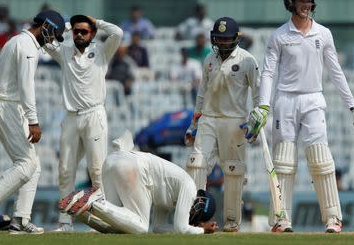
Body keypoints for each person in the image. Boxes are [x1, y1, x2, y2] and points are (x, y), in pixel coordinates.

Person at [249, 0, 354, 234]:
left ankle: (333, 219)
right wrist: (263, 106)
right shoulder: (279, 36)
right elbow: (268, 73)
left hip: (314, 100)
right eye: (302, 1)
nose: (307, 5)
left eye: (309, 1)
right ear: (290, 3)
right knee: (283, 163)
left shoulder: (323, 34)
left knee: (321, 160)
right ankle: (281, 219)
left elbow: (336, 72)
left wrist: (353, 106)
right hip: (285, 101)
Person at [0, 9, 65, 234]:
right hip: (7, 104)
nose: (52, 40)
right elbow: (26, 87)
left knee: (34, 165)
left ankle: (20, 220)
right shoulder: (28, 48)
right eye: (53, 34)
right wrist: (33, 121)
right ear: (46, 26)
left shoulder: (15, 41)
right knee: (26, 163)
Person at [44, 14, 123, 232]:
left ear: (93, 34)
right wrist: (66, 25)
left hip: (94, 115)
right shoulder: (64, 52)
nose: (79, 34)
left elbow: (118, 32)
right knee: (65, 170)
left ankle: (103, 221)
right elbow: (45, 39)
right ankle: (64, 222)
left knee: (97, 171)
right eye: (76, 31)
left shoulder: (101, 52)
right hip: (70, 117)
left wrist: (96, 22)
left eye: (84, 31)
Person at [58, 131, 218, 234]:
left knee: (116, 227)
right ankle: (94, 201)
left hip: (114, 160)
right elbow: (181, 228)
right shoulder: (189, 187)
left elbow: (158, 228)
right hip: (132, 166)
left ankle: (80, 210)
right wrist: (203, 231)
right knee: (141, 227)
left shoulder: (171, 198)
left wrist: (192, 229)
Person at [184, 17, 260, 232]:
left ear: (236, 39)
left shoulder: (247, 60)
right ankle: (195, 219)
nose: (223, 44)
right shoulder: (209, 58)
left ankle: (232, 221)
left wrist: (256, 121)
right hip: (208, 119)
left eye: (227, 39)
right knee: (196, 163)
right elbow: (202, 93)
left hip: (235, 121)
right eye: (219, 39)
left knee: (234, 171)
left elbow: (258, 94)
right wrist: (193, 124)